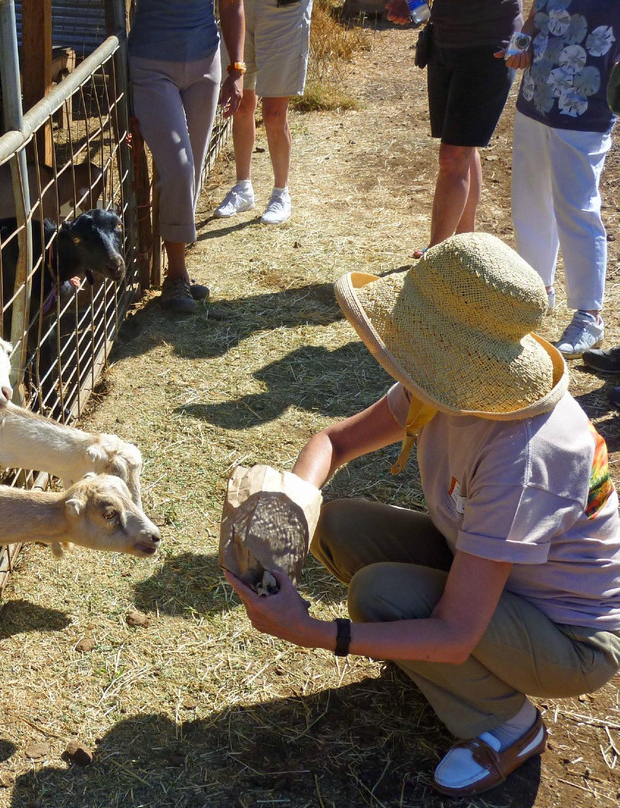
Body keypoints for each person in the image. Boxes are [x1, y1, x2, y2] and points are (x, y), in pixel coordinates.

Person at [225, 234, 620, 797]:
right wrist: (287, 510)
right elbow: (332, 444)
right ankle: (431, 661)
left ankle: (507, 727)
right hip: (492, 573)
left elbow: (457, 632)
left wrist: (311, 632)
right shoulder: (453, 385)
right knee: (335, 525)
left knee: (382, 596)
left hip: (569, 640)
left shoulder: (524, 451)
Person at [503, 0, 620, 358]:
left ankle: (590, 316)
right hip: (537, 93)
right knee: (529, 204)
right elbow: (539, 12)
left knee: (577, 209)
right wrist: (521, 41)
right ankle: (536, 292)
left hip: (587, 102)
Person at [129, 0, 245, 314]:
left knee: (191, 168)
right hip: (151, 66)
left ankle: (176, 270)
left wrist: (237, 68)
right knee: (179, 168)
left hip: (206, 65)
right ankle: (176, 274)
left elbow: (233, 5)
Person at [386, 0, 522, 258]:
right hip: (444, 41)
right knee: (463, 147)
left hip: (489, 45)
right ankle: (463, 244)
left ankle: (437, 259)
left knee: (452, 155)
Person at [214, 0, 313, 224]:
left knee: (274, 114)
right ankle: (243, 188)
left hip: (284, 10)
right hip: (240, 6)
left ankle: (280, 193)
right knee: (240, 104)